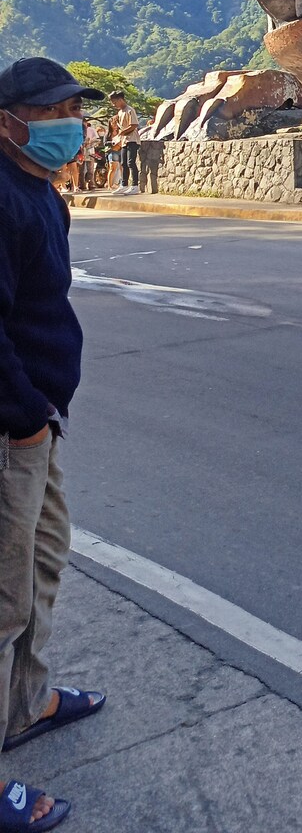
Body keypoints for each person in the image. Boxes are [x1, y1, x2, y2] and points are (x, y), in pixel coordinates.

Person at [1, 57, 109, 832]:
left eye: (74, 107)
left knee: (43, 562)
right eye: (52, 111)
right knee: (1, 594)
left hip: (37, 419)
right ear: (8, 123)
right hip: (12, 425)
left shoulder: (40, 191)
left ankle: (26, 703)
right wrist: (24, 417)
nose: (70, 122)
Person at [108, 89, 140, 195]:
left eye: (115, 102)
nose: (114, 104)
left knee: (131, 162)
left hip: (132, 140)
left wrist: (121, 133)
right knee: (123, 163)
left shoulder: (130, 110)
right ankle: (124, 184)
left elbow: (134, 125)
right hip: (124, 141)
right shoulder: (120, 112)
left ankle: (135, 185)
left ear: (120, 99)